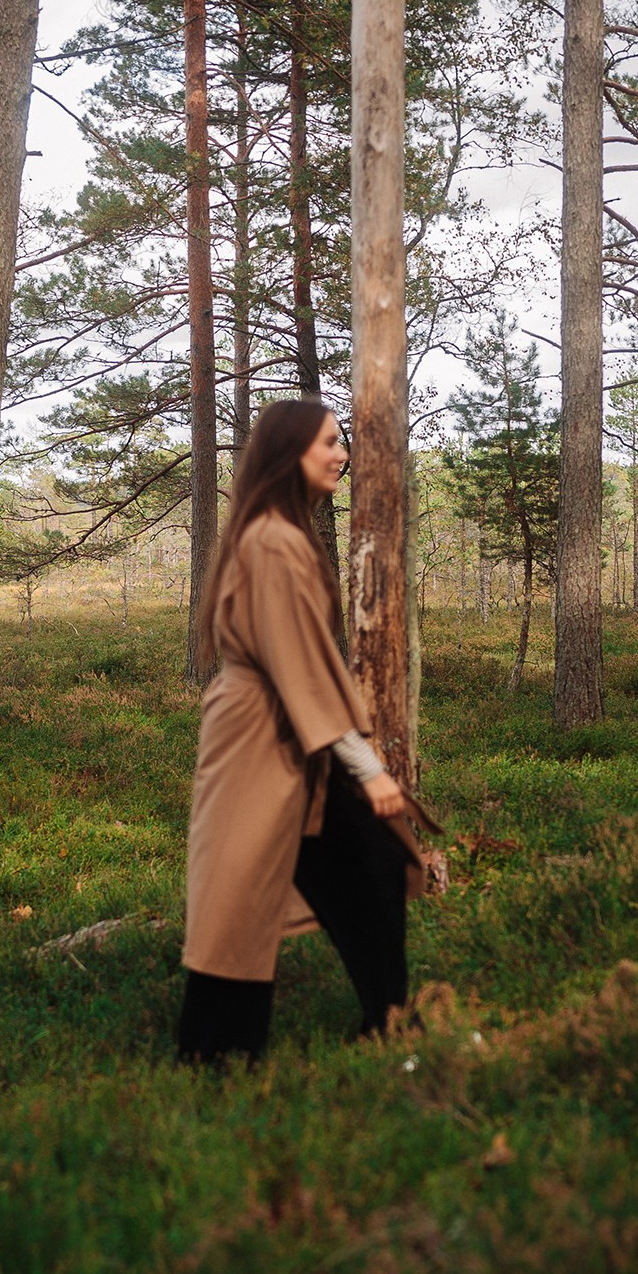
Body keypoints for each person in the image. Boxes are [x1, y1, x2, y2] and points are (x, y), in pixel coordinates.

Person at [180, 398, 417, 1063]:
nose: (342, 454)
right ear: (290, 454)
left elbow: (302, 666)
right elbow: (300, 665)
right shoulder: (275, 540)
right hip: (264, 739)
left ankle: (390, 1024)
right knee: (237, 895)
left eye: (342, 442)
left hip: (282, 734)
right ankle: (212, 1060)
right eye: (329, 443)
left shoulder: (273, 531)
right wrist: (369, 770)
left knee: (370, 860)